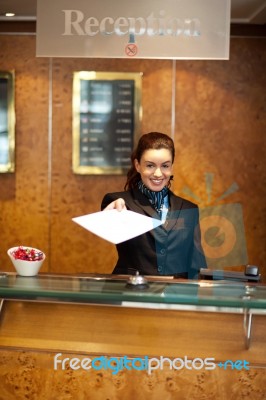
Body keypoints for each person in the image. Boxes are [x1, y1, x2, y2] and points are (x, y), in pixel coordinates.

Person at [101, 132, 206, 278]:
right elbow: (110, 227)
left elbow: (197, 264)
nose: (158, 173)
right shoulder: (120, 202)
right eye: (150, 165)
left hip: (175, 296)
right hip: (131, 293)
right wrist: (114, 214)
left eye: (165, 166)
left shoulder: (189, 209)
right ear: (137, 165)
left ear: (171, 167)